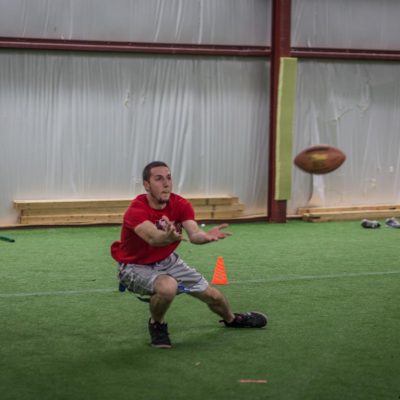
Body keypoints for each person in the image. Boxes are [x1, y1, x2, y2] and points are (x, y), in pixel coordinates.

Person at [111, 161, 267, 348]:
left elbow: (194, 235)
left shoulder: (180, 204)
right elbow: (153, 238)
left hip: (167, 261)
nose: (166, 183)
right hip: (135, 266)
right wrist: (167, 237)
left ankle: (232, 319)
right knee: (168, 287)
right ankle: (157, 324)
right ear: (147, 185)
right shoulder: (136, 210)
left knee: (214, 296)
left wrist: (205, 236)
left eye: (169, 178)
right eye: (158, 179)